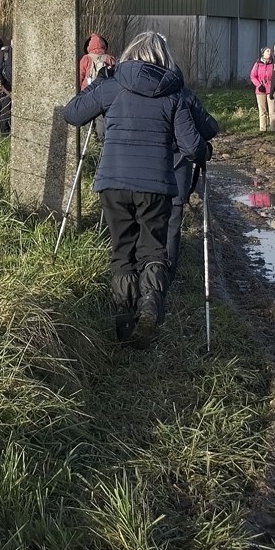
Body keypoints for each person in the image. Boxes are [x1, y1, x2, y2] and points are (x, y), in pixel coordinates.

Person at [57, 29, 218, 346]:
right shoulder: (173, 94)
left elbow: (72, 114)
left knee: (122, 250)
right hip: (156, 185)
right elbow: (193, 147)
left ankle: (123, 321)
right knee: (152, 250)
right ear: (164, 59)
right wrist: (205, 153)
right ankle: (149, 311)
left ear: (131, 54)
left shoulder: (112, 86)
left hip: (113, 183)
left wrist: (100, 84)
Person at [250, 45, 275, 133]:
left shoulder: (273, 64)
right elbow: (253, 76)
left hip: (271, 90)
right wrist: (258, 85)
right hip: (260, 90)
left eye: (270, 51)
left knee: (272, 110)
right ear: (263, 53)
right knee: (262, 110)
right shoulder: (258, 64)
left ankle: (273, 129)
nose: (269, 52)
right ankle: (263, 129)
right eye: (267, 51)